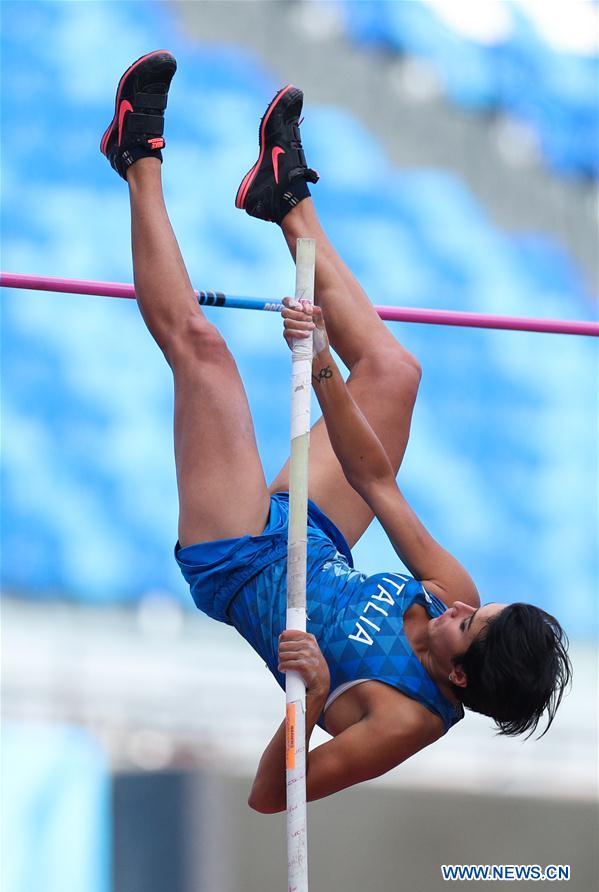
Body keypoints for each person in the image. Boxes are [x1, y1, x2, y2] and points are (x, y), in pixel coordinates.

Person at [101, 51, 572, 814]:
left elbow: (265, 797)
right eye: (476, 608)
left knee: (205, 352)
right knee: (393, 375)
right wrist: (321, 364)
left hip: (242, 559)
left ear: (458, 677)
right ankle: (283, 200)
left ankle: (135, 155)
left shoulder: (398, 723)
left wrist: (309, 698)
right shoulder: (459, 594)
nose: (458, 604)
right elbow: (375, 479)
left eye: (464, 624)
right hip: (314, 533)